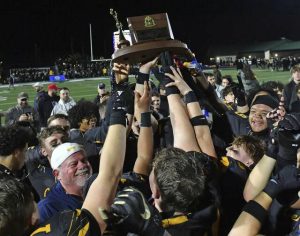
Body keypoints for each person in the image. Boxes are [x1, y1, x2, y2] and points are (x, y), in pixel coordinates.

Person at [37, 142, 93, 222]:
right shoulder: (48, 208)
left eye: (84, 160)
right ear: (57, 174)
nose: (82, 165)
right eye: (74, 164)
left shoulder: (101, 187)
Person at [25, 126, 69, 200]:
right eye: (54, 144)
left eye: (64, 141)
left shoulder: (83, 165)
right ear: (43, 151)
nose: (62, 145)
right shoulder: (36, 171)